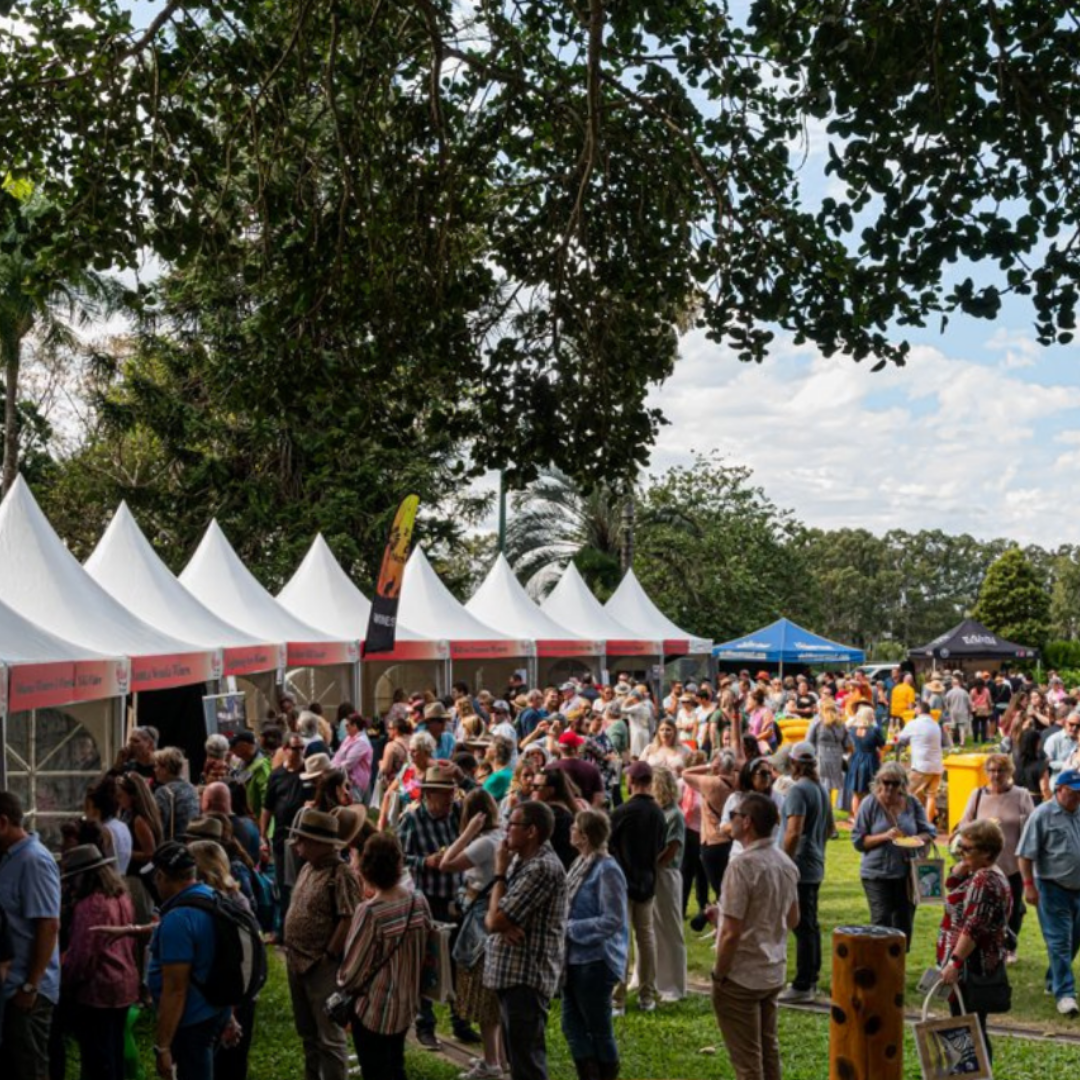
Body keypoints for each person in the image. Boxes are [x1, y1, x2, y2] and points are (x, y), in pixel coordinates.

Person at [710, 792, 799, 1080]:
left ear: (747, 822)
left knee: (747, 1062)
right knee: (768, 1050)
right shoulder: (785, 863)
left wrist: (719, 975)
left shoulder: (741, 866)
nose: (730, 821)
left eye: (733, 815)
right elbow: (793, 919)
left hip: (741, 976)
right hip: (772, 969)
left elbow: (731, 934)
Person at [483, 800, 568, 1080]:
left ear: (531, 831)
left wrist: (499, 874)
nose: (505, 829)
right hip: (511, 976)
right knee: (518, 1061)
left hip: (526, 979)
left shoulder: (542, 868)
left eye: (512, 824)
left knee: (527, 1066)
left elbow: (494, 920)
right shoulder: (521, 861)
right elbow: (492, 915)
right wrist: (499, 919)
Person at [397, 762, 479, 1049]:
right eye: (444, 793)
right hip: (428, 900)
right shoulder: (412, 819)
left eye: (452, 792)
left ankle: (461, 1022)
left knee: (460, 961)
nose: (450, 798)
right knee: (427, 961)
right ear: (428, 794)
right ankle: (425, 1025)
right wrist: (425, 861)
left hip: (458, 898)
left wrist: (461, 776)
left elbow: (483, 802)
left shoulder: (457, 812)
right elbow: (398, 856)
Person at [337, 833, 432, 1080]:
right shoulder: (419, 901)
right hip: (406, 1004)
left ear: (365, 868)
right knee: (395, 1066)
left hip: (374, 1010)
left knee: (375, 1071)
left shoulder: (369, 912)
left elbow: (351, 972)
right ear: (399, 863)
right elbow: (428, 947)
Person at [283, 808, 362, 1080]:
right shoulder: (308, 867)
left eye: (302, 840)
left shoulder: (341, 873)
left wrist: (329, 954)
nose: (297, 844)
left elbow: (348, 917)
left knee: (329, 1038)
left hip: (321, 965)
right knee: (308, 1033)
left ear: (319, 843)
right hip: (297, 960)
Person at [144, 841, 234, 1080]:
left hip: (193, 1019)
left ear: (162, 876)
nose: (155, 883)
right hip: (215, 1009)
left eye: (155, 877)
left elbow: (175, 989)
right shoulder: (211, 896)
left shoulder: (179, 919)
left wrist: (163, 1047)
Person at [438, 790, 507, 1080]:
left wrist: (466, 833)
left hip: (480, 922)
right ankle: (498, 1058)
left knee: (483, 992)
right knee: (492, 994)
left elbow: (445, 863)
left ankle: (491, 1063)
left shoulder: (483, 843)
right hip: (491, 915)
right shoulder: (501, 834)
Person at [936, 819, 1013, 1063]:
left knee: (966, 1028)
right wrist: (961, 867)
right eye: (960, 846)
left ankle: (971, 1075)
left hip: (970, 967)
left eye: (967, 849)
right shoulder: (989, 874)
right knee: (972, 1026)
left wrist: (954, 963)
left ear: (987, 852)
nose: (960, 852)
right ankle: (975, 1074)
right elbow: (953, 889)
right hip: (977, 963)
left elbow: (973, 927)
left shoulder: (983, 881)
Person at [60, 843, 139, 1080]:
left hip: (98, 989)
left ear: (84, 877)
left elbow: (83, 955)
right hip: (125, 981)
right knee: (114, 1051)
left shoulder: (91, 904)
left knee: (97, 1059)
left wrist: (65, 983)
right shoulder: (121, 896)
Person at [0, 791, 61, 1080]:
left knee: (29, 1068)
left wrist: (30, 986)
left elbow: (48, 925)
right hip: (11, 987)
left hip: (26, 992)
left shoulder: (33, 860)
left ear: (2, 823)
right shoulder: (8, 859)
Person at [563, 809, 628, 1080]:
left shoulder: (607, 869)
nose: (570, 831)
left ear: (585, 836)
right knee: (571, 1025)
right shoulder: (581, 863)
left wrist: (571, 928)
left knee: (599, 1028)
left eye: (574, 828)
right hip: (574, 958)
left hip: (596, 961)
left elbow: (613, 919)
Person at [958, 752, 1035, 961]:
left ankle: (1009, 947)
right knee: (981, 906)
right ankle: (982, 945)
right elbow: (964, 824)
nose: (996, 775)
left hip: (1012, 863)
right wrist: (982, 827)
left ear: (1009, 772)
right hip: (982, 863)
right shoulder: (977, 795)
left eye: (1000, 770)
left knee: (1013, 908)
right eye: (991, 770)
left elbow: (1031, 827)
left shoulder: (1021, 795)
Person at [851, 761, 936, 949]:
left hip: (907, 875)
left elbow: (929, 831)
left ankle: (898, 963)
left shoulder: (911, 802)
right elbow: (858, 841)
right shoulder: (869, 804)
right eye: (886, 782)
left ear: (903, 784)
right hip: (877, 875)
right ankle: (879, 963)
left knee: (904, 925)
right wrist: (885, 836)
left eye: (895, 783)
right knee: (881, 922)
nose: (890, 787)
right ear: (879, 782)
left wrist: (916, 839)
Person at [1017, 768, 1080, 1016]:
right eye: (1073, 792)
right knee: (1060, 941)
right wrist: (1028, 886)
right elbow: (1025, 854)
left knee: (1073, 939)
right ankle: (1065, 994)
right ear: (1059, 790)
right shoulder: (1042, 815)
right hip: (1052, 887)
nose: (1077, 797)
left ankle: (1053, 979)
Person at [609, 761, 666, 1015]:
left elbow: (608, 844)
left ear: (630, 781)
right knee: (646, 939)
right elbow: (661, 846)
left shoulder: (622, 812)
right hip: (647, 880)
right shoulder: (658, 813)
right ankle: (647, 996)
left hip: (622, 882)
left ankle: (617, 999)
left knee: (621, 940)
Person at [777, 743, 832, 1004]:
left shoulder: (798, 790)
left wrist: (783, 863)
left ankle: (804, 984)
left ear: (794, 763)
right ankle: (811, 978)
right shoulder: (820, 789)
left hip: (800, 865)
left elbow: (793, 831)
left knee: (802, 925)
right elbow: (830, 828)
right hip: (814, 863)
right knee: (809, 924)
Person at [261, 732, 308, 934]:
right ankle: (284, 930)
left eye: (302, 748)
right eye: (295, 748)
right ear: (285, 749)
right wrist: (263, 834)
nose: (299, 752)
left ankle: (302, 927)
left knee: (303, 883)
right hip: (282, 836)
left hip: (304, 838)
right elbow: (267, 807)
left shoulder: (308, 772)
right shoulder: (277, 775)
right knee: (283, 885)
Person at [651, 767, 687, 1003]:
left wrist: (651, 864)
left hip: (666, 873)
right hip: (655, 873)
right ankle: (653, 978)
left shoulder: (674, 815)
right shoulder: (659, 812)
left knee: (670, 931)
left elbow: (671, 849)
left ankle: (674, 985)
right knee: (653, 929)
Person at [897, 700, 949, 823]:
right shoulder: (935, 724)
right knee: (931, 796)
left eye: (915, 708)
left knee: (904, 791)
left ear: (918, 710)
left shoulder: (914, 724)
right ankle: (928, 823)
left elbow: (901, 738)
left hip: (921, 766)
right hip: (937, 765)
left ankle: (902, 821)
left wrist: (897, 736)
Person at [531, 767, 580, 870]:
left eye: (536, 787)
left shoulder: (553, 815)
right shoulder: (563, 810)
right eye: (532, 785)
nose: (532, 790)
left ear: (551, 790)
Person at [842, 705, 886, 816]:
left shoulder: (852, 730)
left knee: (856, 793)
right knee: (870, 792)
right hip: (870, 761)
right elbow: (882, 746)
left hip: (855, 760)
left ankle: (857, 818)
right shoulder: (875, 730)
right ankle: (867, 818)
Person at [807, 700, 850, 809]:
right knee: (830, 785)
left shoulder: (817, 721)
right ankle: (828, 808)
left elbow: (808, 740)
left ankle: (823, 809)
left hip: (821, 754)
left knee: (822, 783)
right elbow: (847, 743)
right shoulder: (841, 723)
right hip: (837, 756)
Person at [152, 748, 201, 841]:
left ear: (165, 769)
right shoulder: (192, 788)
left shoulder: (164, 792)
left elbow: (159, 826)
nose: (154, 770)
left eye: (156, 766)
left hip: (172, 844)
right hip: (190, 841)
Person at [550, 731, 605, 806]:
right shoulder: (591, 769)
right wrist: (589, 811)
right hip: (585, 810)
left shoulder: (550, 768)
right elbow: (599, 798)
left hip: (557, 812)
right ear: (576, 748)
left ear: (560, 748)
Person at [330, 712, 373, 803]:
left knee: (353, 807)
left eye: (347, 725)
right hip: (345, 778)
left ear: (355, 726)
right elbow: (338, 755)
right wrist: (330, 766)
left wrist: (332, 769)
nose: (345, 728)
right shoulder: (349, 737)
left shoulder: (361, 742)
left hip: (355, 782)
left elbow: (348, 763)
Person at [230, 731, 272, 818]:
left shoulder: (261, 765)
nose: (232, 750)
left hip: (259, 816)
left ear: (244, 745)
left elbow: (266, 796)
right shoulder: (244, 761)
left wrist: (262, 820)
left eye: (234, 746)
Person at [945, 675, 973, 746]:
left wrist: (947, 710)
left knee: (952, 728)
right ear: (959, 684)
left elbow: (946, 703)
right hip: (963, 712)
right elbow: (969, 704)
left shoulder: (949, 692)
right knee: (962, 728)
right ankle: (962, 743)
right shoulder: (964, 692)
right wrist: (970, 712)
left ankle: (951, 743)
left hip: (952, 712)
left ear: (952, 684)